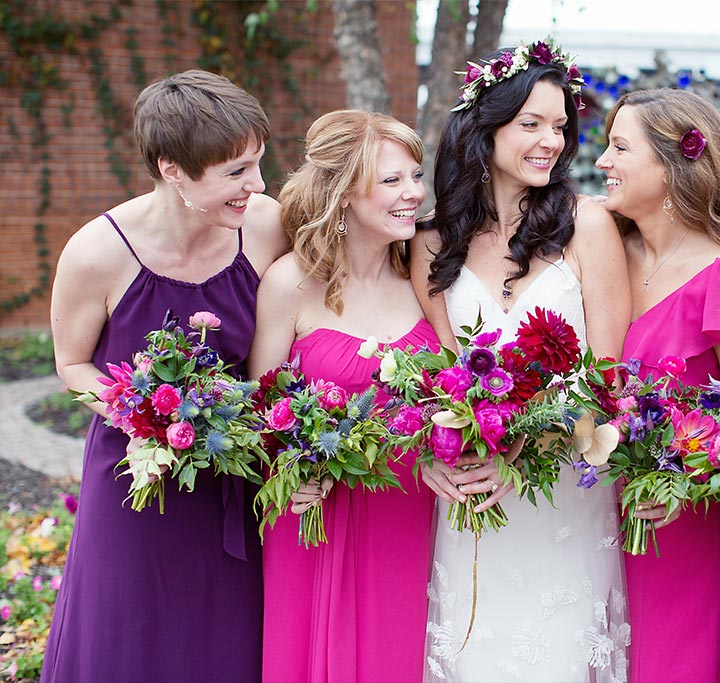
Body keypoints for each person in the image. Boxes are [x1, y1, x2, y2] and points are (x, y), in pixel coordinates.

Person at [42, 70, 287, 682]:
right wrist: (145, 411)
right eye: (235, 171)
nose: (255, 185)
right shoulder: (95, 253)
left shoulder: (265, 225)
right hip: (135, 480)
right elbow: (72, 365)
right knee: (127, 635)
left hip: (235, 473)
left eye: (258, 164)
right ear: (171, 168)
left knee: (224, 638)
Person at [410, 40, 632, 682]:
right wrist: (437, 452)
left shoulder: (587, 225)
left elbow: (608, 375)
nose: (550, 141)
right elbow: (439, 377)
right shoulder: (430, 239)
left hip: (567, 484)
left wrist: (530, 452)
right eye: (530, 123)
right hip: (475, 491)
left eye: (560, 125)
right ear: (486, 126)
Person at [248, 109, 438, 683]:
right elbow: (261, 410)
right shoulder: (291, 283)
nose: (412, 194)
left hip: (411, 508)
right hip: (317, 512)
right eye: (391, 180)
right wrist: (288, 469)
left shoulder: (426, 278)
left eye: (414, 176)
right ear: (344, 193)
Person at [595, 88, 720, 682]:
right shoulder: (602, 247)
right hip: (585, 504)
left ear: (670, 166)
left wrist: (689, 485)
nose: (602, 161)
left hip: (674, 517)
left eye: (619, 147)